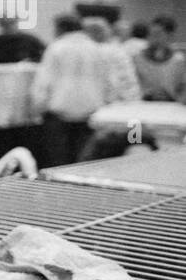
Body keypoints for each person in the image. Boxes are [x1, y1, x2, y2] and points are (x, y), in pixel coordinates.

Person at [31, 15, 122, 167]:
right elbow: (111, 82)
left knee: (59, 162)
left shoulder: (56, 48)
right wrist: (108, 105)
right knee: (85, 161)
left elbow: (43, 81)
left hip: (60, 112)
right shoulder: (97, 48)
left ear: (60, 28)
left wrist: (37, 107)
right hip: (91, 112)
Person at [82, 16, 141, 105]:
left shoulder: (90, 52)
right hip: (123, 101)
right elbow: (128, 79)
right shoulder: (118, 50)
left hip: (102, 101)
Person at [132, 15, 186, 102]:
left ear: (170, 36)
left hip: (172, 107)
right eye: (150, 34)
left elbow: (183, 88)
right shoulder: (138, 58)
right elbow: (132, 85)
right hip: (143, 106)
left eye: (157, 34)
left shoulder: (179, 60)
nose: (151, 38)